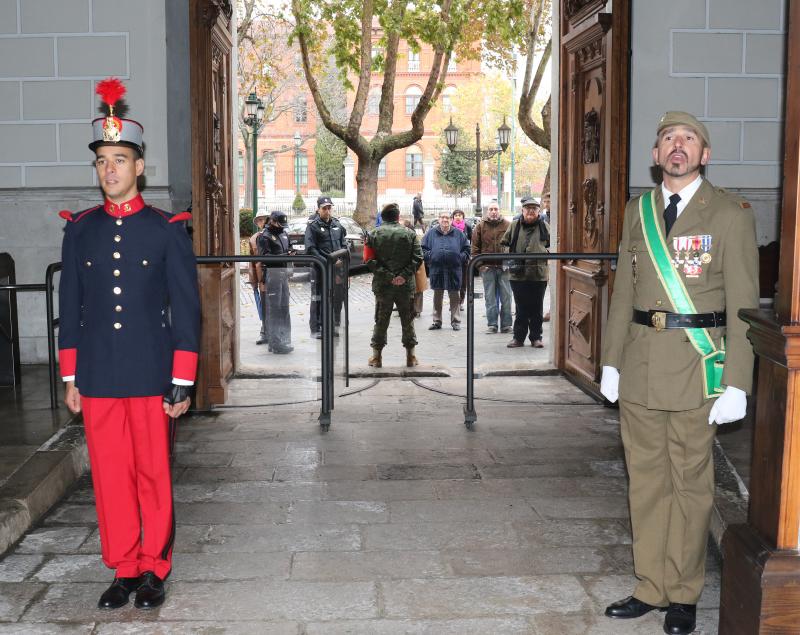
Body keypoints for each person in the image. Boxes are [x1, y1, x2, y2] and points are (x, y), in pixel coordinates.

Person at [600, 111, 759, 635]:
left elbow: (743, 302)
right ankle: (650, 587)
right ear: (656, 154)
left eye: (689, 140)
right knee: (645, 482)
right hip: (643, 366)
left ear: (704, 155)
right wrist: (611, 361)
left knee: (691, 484)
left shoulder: (730, 214)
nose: (678, 146)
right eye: (669, 138)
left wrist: (738, 379)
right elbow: (624, 291)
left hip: (698, 368)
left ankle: (683, 593)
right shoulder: (636, 211)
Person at [58, 78, 200, 610]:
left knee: (152, 475)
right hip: (97, 374)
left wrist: (182, 378)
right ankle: (124, 567)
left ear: (139, 166)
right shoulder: (81, 231)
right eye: (102, 161)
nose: (109, 169)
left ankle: (155, 568)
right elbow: (70, 306)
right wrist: (70, 375)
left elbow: (186, 309)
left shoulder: (167, 231)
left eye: (119, 159)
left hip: (149, 371)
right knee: (111, 478)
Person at [366, 204, 423, 368]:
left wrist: (389, 276)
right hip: (405, 286)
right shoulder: (410, 234)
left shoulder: (373, 234)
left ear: (383, 217)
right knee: (408, 320)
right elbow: (418, 257)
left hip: (383, 285)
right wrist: (403, 276)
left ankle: (376, 357)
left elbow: (369, 260)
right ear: (398, 217)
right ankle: (411, 357)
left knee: (381, 320)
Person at [500, 197, 549, 348]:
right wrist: (512, 254)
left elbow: (554, 245)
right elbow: (503, 244)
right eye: (528, 208)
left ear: (538, 211)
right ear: (522, 210)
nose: (531, 211)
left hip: (538, 274)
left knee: (537, 307)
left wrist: (544, 251)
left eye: (534, 209)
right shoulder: (514, 225)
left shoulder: (545, 226)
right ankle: (518, 338)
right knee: (521, 307)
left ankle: (536, 337)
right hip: (518, 274)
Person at [304, 196, 347, 338]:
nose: (327, 211)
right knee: (318, 298)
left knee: (333, 298)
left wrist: (341, 258)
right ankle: (316, 328)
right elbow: (311, 249)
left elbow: (344, 244)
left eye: (329, 207)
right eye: (324, 208)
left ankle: (330, 325)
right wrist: (327, 261)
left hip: (336, 270)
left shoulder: (337, 224)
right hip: (320, 269)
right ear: (318, 209)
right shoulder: (313, 226)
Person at [422, 211, 470, 331]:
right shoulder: (431, 233)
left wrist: (460, 258)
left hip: (454, 269)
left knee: (454, 295)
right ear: (439, 219)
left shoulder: (458, 234)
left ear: (451, 220)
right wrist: (430, 256)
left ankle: (455, 321)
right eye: (443, 217)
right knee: (437, 295)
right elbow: (423, 248)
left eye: (448, 218)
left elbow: (467, 249)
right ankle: (437, 321)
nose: (445, 220)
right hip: (437, 269)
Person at [471, 202, 512, 333]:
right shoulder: (480, 226)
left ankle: (506, 325)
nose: (493, 211)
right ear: (487, 211)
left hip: (504, 267)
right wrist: (480, 265)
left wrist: (510, 263)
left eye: (496, 209)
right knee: (490, 297)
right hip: (487, 267)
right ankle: (492, 324)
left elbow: (514, 245)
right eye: (491, 209)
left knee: (506, 297)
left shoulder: (508, 225)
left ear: (499, 211)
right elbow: (474, 248)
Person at [258, 211, 294, 354]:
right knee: (274, 310)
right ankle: (275, 342)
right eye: (279, 223)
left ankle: (285, 338)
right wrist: (286, 255)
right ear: (272, 221)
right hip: (273, 276)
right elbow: (265, 257)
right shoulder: (265, 236)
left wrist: (291, 252)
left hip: (284, 275)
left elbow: (289, 247)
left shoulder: (284, 234)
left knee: (284, 307)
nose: (282, 227)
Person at [249, 209, 268, 344]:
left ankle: (278, 331)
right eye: (260, 220)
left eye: (264, 219)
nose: (262, 222)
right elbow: (252, 262)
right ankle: (264, 331)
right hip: (262, 277)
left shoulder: (276, 234)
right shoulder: (254, 238)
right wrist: (253, 280)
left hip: (275, 275)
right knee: (264, 306)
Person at [402, 218, 428, 317]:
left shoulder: (413, 236)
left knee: (418, 289)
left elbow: (418, 253)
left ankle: (417, 310)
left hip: (416, 265)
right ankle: (408, 308)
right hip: (406, 266)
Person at [451, 209, 472, 306]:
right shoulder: (450, 227)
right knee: (453, 280)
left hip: (464, 258)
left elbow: (471, 240)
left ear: (463, 217)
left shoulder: (467, 227)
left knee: (463, 281)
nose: (458, 217)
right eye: (456, 215)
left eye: (460, 215)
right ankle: (454, 301)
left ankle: (461, 300)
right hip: (452, 258)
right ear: (453, 217)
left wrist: (468, 253)